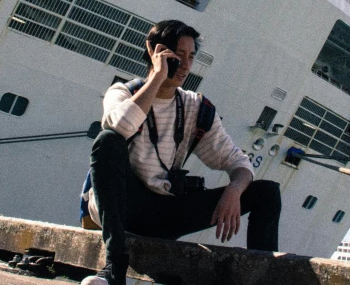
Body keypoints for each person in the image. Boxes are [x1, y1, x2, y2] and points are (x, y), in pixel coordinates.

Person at [81, 20, 281, 285]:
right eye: (178, 55)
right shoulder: (123, 92)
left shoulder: (195, 107)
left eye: (191, 57)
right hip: (125, 206)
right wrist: (156, 78)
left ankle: (266, 282)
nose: (186, 65)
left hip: (166, 209)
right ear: (155, 51)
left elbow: (239, 163)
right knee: (107, 141)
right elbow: (120, 126)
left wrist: (234, 190)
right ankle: (114, 268)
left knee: (266, 192)